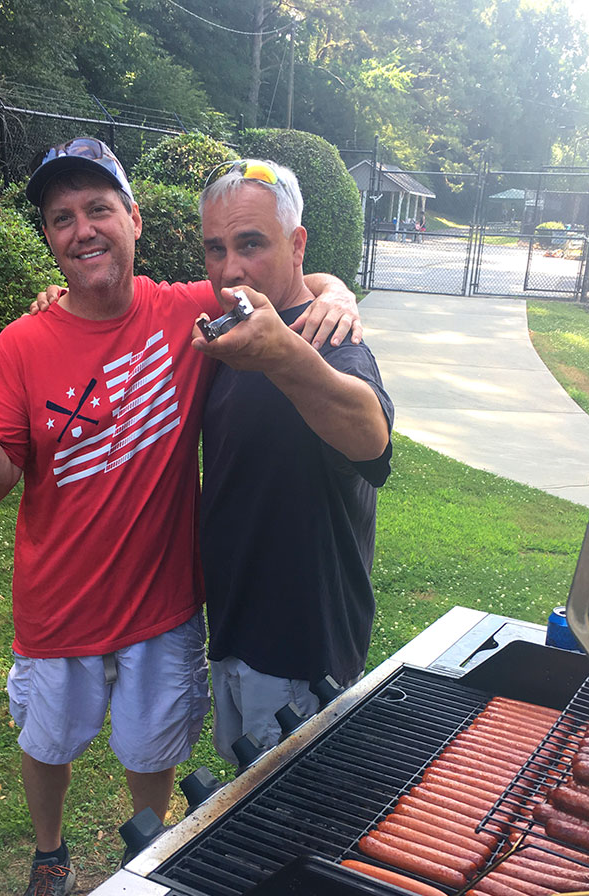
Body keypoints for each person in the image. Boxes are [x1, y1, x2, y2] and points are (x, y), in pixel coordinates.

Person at [0, 139, 359, 896]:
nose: (82, 229)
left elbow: (272, 279)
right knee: (48, 741)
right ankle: (50, 856)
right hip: (59, 607)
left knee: (152, 742)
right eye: (61, 218)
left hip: (163, 602)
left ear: (133, 220)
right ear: (51, 239)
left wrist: (337, 290)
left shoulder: (183, 310)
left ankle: (145, 851)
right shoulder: (21, 345)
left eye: (98, 209)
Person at [192, 160, 394, 763]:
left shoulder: (329, 337)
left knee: (289, 832)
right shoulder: (230, 328)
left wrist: (286, 354)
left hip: (299, 651)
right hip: (232, 633)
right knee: (240, 810)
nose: (231, 268)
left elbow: (370, 437)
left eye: (251, 244)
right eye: (216, 248)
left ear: (296, 243)